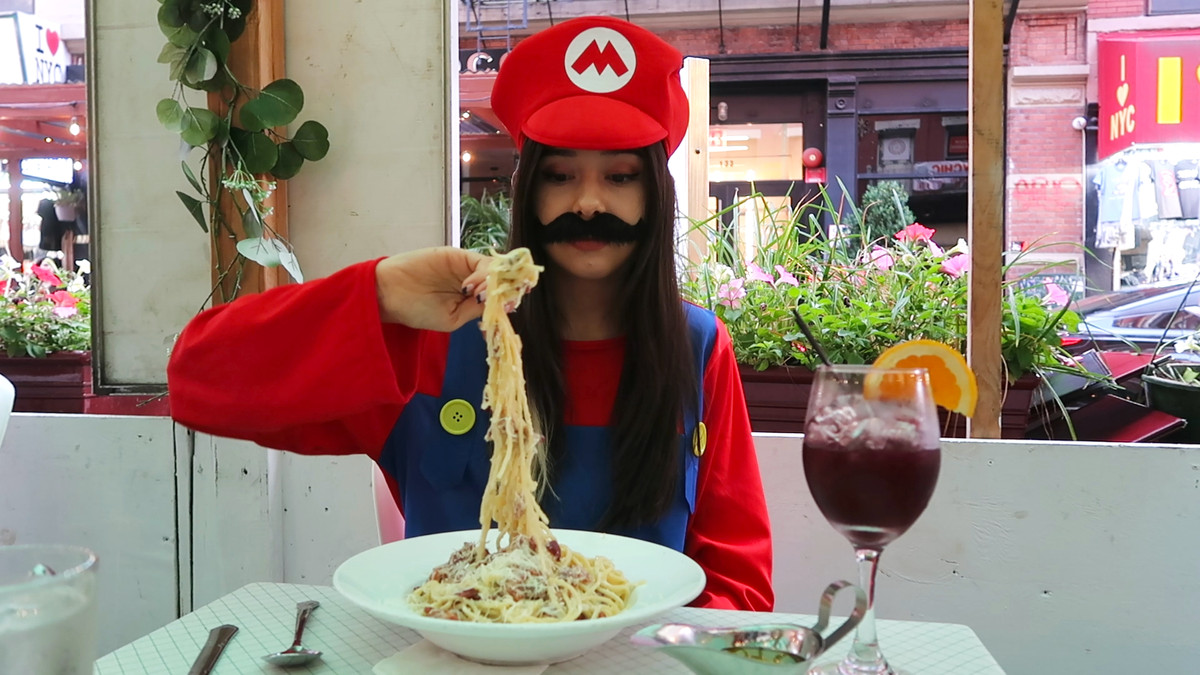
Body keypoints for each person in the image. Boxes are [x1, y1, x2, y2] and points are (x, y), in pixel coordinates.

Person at [167, 15, 773, 611]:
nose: (589, 203)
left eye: (620, 176)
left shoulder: (696, 348)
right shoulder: (439, 334)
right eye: (560, 175)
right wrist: (376, 296)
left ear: (655, 197)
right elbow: (198, 382)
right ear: (527, 192)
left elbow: (740, 584)